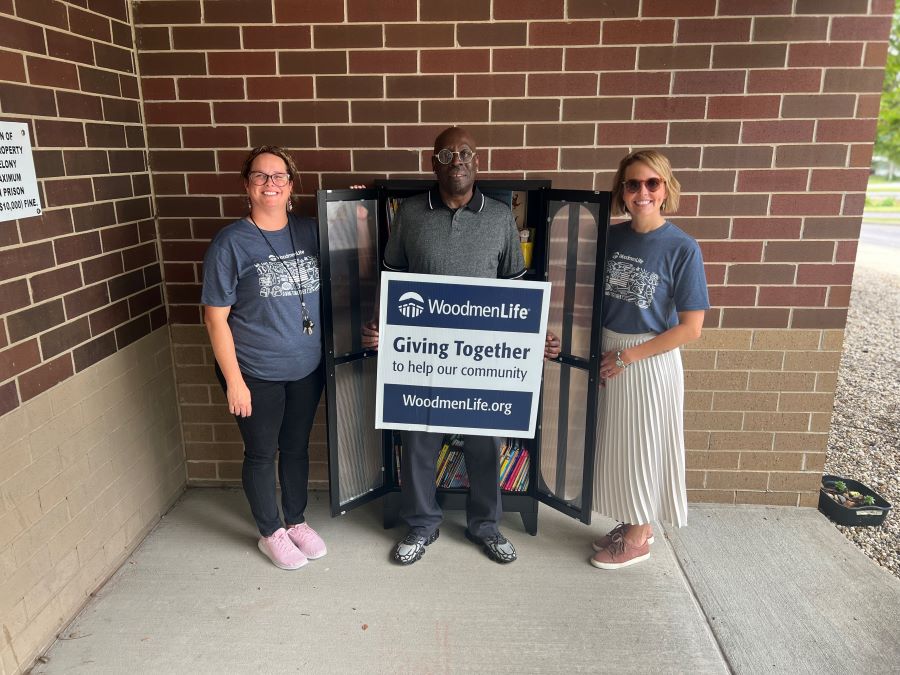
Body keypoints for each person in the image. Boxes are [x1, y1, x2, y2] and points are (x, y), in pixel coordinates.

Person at [362, 126, 560, 565]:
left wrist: (535, 335)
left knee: (486, 443)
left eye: (465, 153)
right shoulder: (410, 214)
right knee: (417, 441)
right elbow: (391, 280)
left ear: (478, 160)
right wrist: (382, 327)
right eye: (447, 154)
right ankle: (422, 524)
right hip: (423, 360)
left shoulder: (499, 217)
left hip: (481, 362)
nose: (457, 161)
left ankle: (486, 526)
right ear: (433, 162)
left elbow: (516, 290)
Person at [201, 145, 327, 570]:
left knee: (295, 448)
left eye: (279, 176)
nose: (270, 183)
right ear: (247, 185)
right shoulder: (230, 243)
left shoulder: (310, 230)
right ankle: (269, 530)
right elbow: (216, 319)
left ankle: (295, 520)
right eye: (260, 176)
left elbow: (352, 240)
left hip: (307, 368)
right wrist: (234, 380)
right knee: (261, 453)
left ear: (292, 185)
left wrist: (358, 211)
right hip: (255, 371)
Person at [589, 149, 709, 570]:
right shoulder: (612, 237)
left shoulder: (682, 248)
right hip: (611, 353)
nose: (642, 191)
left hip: (647, 361)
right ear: (622, 191)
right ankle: (631, 523)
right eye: (633, 183)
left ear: (665, 189)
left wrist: (628, 356)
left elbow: (691, 327)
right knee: (620, 447)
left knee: (646, 446)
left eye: (651, 183)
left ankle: (640, 536)